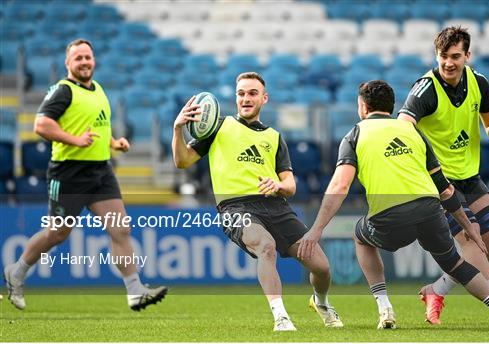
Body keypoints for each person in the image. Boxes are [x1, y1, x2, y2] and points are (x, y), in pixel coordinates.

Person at [297, 80, 489, 330]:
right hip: (430, 211)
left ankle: (384, 307)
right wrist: (468, 225)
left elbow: (339, 186)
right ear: (392, 107)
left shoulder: (354, 135)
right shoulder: (412, 131)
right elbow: (444, 187)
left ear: (362, 106)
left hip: (389, 219)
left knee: (360, 236)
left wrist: (316, 230)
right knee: (456, 264)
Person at [3, 39, 167, 311]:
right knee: (57, 234)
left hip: (100, 171)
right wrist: (74, 140)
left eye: (87, 57)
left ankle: (135, 291)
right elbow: (41, 125)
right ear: (68, 64)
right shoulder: (63, 90)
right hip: (69, 173)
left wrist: (114, 143)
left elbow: (94, 127)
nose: (84, 62)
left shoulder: (98, 89)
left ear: (94, 60)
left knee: (121, 228)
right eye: (78, 58)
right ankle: (17, 272)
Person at [172, 72, 343, 331]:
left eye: (252, 93)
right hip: (236, 208)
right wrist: (177, 129)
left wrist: (278, 185)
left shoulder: (274, 137)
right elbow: (182, 161)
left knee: (322, 267)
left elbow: (291, 185)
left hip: (275, 206)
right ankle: (281, 317)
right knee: (266, 246)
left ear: (264, 98)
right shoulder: (218, 127)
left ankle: (320, 302)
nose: (246, 98)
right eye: (241, 93)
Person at [397, 26, 489, 324]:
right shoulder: (426, 89)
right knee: (474, 238)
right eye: (443, 56)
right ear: (436, 55)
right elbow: (403, 125)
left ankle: (436, 289)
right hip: (439, 182)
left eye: (456, 56)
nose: (449, 63)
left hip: (469, 176)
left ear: (467, 55)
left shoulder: (479, 82)